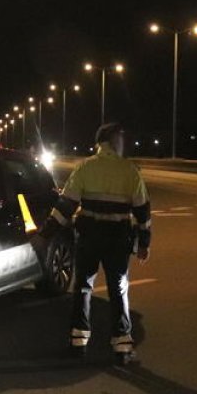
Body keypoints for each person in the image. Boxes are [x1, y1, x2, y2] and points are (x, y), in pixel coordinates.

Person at [45, 123, 151, 363]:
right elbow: (143, 212)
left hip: (89, 237)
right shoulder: (130, 171)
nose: (123, 142)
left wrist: (46, 234)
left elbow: (65, 206)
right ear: (112, 141)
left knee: (83, 287)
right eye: (120, 138)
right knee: (119, 289)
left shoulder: (84, 168)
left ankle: (77, 343)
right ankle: (122, 347)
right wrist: (144, 243)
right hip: (117, 239)